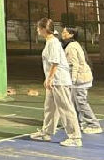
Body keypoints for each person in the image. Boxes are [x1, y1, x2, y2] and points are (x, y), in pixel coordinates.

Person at [29, 18, 83, 148]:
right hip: (54, 80)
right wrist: (48, 78)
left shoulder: (53, 43)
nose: (37, 30)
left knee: (65, 108)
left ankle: (75, 137)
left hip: (59, 81)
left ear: (43, 29)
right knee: (50, 107)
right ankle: (46, 132)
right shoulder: (50, 42)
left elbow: (55, 62)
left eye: (38, 28)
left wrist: (50, 78)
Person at [61, 27, 103, 134]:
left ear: (71, 35)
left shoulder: (71, 47)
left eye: (65, 32)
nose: (62, 33)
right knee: (74, 102)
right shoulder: (73, 44)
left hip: (80, 79)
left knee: (81, 102)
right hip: (81, 77)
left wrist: (72, 80)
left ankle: (94, 125)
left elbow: (74, 64)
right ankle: (76, 123)